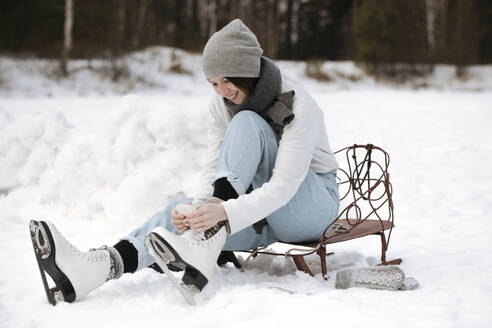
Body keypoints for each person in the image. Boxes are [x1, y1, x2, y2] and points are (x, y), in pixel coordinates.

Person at [29, 18, 340, 305]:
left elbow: (285, 185)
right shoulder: (221, 105)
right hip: (263, 210)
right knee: (178, 214)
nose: (221, 92)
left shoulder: (298, 102)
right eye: (213, 84)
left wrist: (220, 210)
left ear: (245, 70)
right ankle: (97, 268)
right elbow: (215, 168)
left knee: (246, 123)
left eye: (225, 80)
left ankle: (205, 239)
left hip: (310, 206)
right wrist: (202, 210)